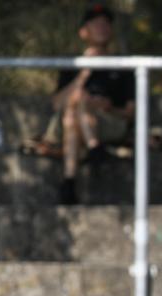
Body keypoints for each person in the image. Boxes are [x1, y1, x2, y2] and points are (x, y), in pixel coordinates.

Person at [50, 3, 134, 205]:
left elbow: (131, 112)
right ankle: (95, 148)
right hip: (71, 123)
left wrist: (108, 107)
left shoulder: (123, 66)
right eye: (96, 24)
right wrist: (84, 73)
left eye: (106, 24)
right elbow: (57, 105)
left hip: (108, 123)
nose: (102, 28)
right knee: (75, 106)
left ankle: (69, 180)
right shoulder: (72, 65)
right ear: (83, 32)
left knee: (73, 113)